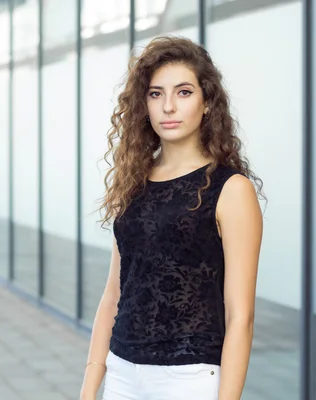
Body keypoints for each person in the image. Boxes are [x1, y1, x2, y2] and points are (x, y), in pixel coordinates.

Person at [80, 36, 264, 400]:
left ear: (207, 102)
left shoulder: (231, 189)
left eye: (183, 92)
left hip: (190, 379)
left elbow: (240, 316)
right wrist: (89, 387)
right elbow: (114, 292)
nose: (168, 106)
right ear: (143, 105)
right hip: (121, 372)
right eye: (155, 94)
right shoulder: (133, 180)